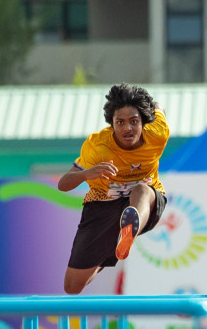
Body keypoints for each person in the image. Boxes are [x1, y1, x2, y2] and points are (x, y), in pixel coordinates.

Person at [59, 84, 169, 294]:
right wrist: (86, 174)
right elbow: (63, 184)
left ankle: (131, 227)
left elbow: (159, 107)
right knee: (72, 287)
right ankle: (109, 253)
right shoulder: (98, 147)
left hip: (145, 203)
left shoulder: (157, 133)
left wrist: (153, 105)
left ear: (144, 121)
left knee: (142, 189)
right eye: (120, 122)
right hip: (103, 207)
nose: (128, 128)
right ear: (112, 124)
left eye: (134, 122)